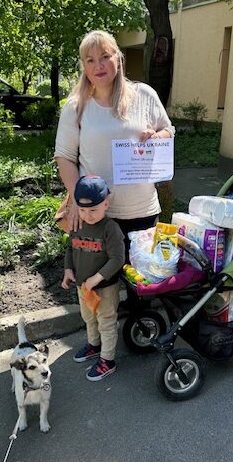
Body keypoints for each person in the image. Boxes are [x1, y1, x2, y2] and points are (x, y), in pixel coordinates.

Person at [54, 29, 175, 252]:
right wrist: (79, 200)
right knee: (99, 276)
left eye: (105, 57)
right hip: (95, 215)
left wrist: (157, 137)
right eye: (90, 60)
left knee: (141, 274)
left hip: (142, 212)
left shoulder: (144, 95)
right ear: (84, 66)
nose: (98, 66)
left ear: (118, 59)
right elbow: (65, 157)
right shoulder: (76, 106)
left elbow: (168, 130)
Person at [62, 175, 125, 381]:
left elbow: (118, 259)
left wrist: (96, 279)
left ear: (106, 204)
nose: (88, 216)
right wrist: (68, 269)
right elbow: (70, 249)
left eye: (93, 210)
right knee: (89, 317)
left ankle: (108, 360)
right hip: (83, 286)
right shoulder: (78, 224)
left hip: (104, 287)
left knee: (106, 322)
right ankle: (94, 345)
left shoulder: (110, 229)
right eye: (83, 210)